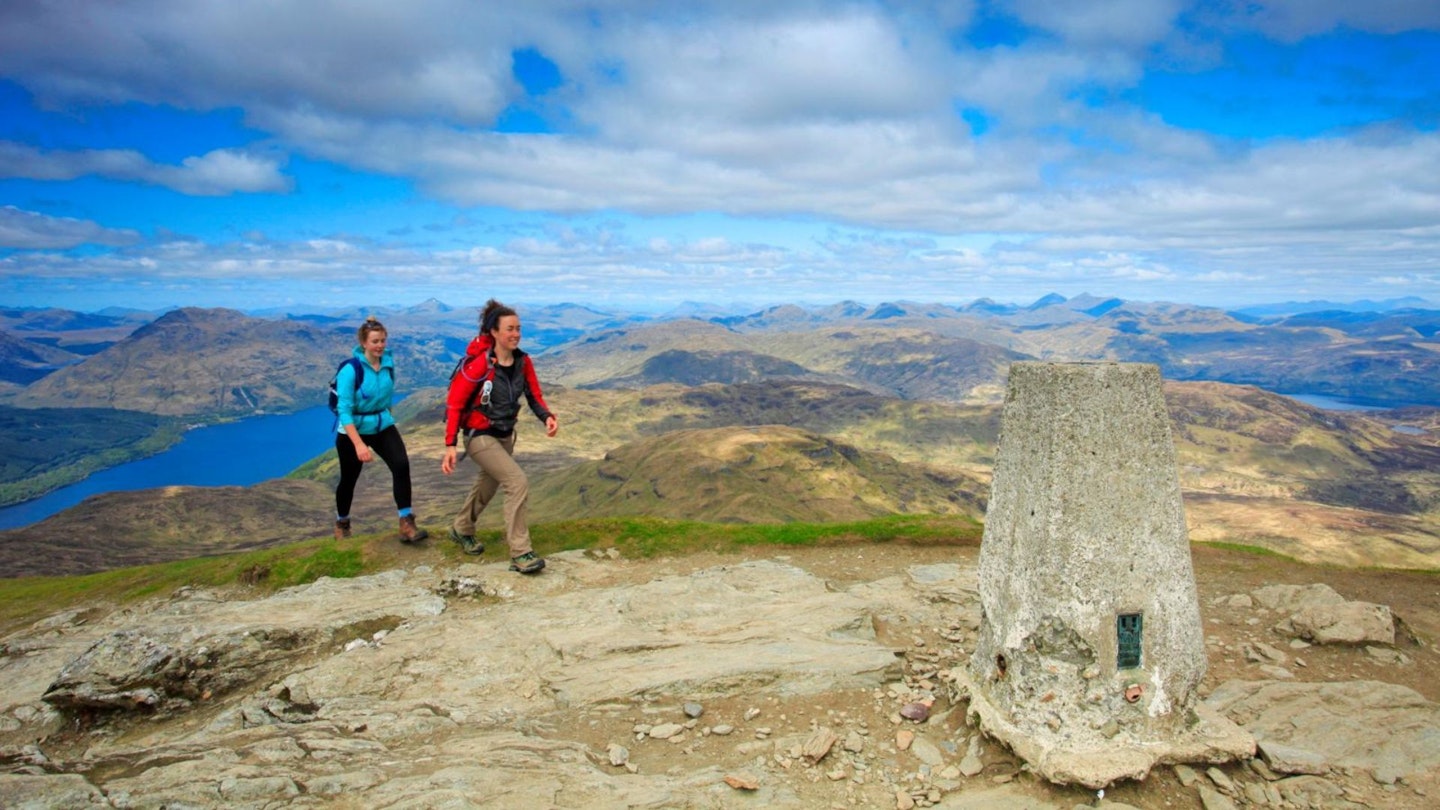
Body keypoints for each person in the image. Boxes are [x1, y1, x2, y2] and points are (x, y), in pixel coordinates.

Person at [442, 299, 558, 574]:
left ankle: (461, 528)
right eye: (510, 329)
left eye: (518, 328)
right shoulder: (479, 366)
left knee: (489, 484)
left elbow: (533, 394)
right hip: (479, 435)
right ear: (494, 332)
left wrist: (547, 417)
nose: (516, 334)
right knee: (516, 481)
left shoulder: (522, 361)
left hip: (505, 434)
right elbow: (455, 403)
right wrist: (450, 444)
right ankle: (521, 553)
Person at [333, 316, 428, 544]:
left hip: (382, 424)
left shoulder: (387, 363)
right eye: (375, 341)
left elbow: (386, 395)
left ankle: (406, 521)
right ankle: (342, 523)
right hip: (353, 430)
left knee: (401, 465)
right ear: (363, 343)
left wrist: (387, 417)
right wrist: (358, 444)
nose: (380, 345)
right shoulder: (350, 370)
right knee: (349, 478)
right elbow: (344, 410)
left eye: (383, 340)